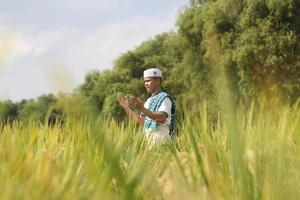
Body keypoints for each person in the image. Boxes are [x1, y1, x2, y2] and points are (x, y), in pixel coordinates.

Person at [117, 68, 175, 145]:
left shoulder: (165, 98)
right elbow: (141, 121)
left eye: (148, 81)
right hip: (150, 145)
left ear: (157, 81)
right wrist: (126, 108)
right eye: (145, 82)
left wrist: (141, 108)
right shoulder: (148, 101)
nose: (146, 84)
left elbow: (162, 117)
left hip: (163, 144)